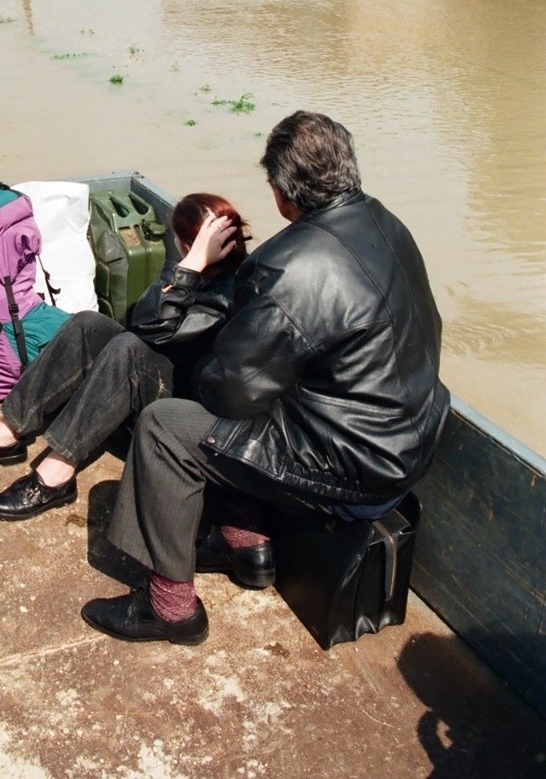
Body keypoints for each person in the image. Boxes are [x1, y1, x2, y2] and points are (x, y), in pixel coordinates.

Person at [81, 111, 450, 645]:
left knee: (168, 425)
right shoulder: (389, 224)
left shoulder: (288, 264)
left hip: (355, 466)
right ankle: (243, 543)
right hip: (409, 443)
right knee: (257, 405)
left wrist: (195, 366)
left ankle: (170, 609)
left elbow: (233, 391)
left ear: (281, 193)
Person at [0, 192, 249, 522]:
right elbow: (141, 319)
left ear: (188, 243)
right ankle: (8, 433)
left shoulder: (228, 292)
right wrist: (187, 270)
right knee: (88, 323)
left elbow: (150, 329)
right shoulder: (195, 275)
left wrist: (189, 267)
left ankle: (57, 473)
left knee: (128, 349)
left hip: (182, 410)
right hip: (158, 381)